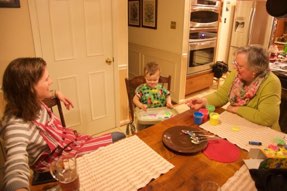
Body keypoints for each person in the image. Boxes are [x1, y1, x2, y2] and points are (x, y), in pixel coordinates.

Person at [0, 57, 126, 191]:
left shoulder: (32, 101)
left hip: (71, 144)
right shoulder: (15, 126)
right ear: (30, 88)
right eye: (46, 79)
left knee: (119, 137)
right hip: (58, 164)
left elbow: (48, 93)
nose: (51, 81)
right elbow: (16, 167)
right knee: (118, 139)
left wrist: (56, 94)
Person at [187, 45, 282, 131]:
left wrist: (236, 109)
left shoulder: (271, 82)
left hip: (265, 131)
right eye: (235, 63)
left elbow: (267, 118)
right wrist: (204, 101)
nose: (235, 68)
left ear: (255, 70)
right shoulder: (236, 74)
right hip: (240, 125)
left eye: (240, 66)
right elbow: (221, 95)